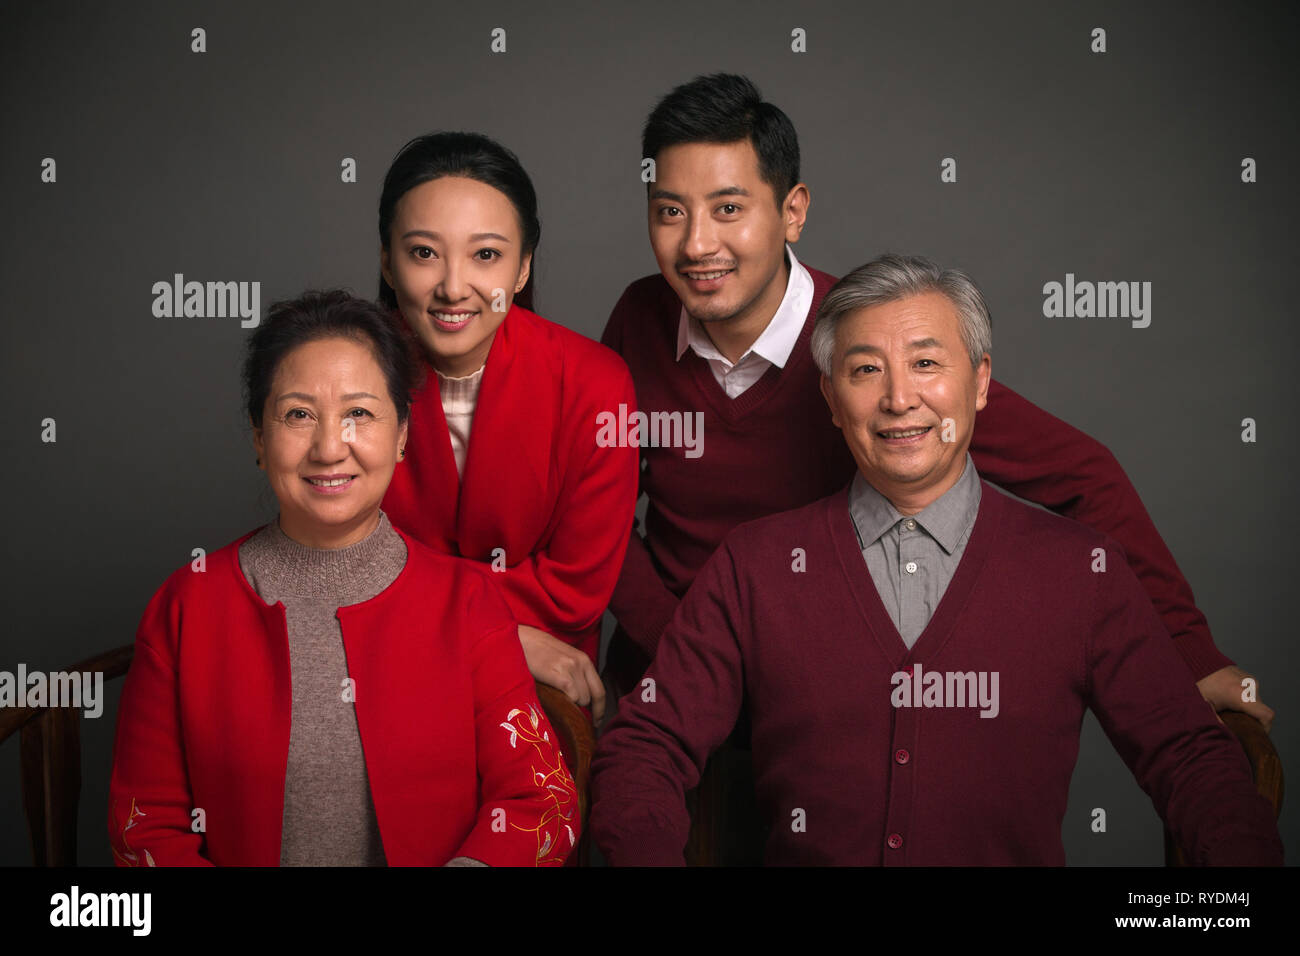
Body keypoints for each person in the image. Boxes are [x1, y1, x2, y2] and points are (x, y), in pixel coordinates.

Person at [590, 255, 1283, 866]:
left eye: (926, 363)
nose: (899, 399)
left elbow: (1191, 762)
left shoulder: (1084, 574)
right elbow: (646, 745)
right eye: (866, 371)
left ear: (980, 383)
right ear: (831, 399)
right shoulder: (757, 566)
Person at [108, 291, 578, 866]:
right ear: (259, 437)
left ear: (402, 434)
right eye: (298, 415)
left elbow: (540, 801)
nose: (330, 448)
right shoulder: (187, 605)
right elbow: (145, 827)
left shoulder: (467, 602)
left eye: (359, 413)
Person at [377, 132, 639, 723]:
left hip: (538, 690)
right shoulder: (343, 375)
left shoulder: (598, 385)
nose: (452, 286)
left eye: (486, 255)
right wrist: (492, 633)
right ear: (386, 262)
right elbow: (326, 565)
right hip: (378, 670)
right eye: (423, 253)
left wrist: (404, 598)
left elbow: (572, 593)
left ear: (523, 268)